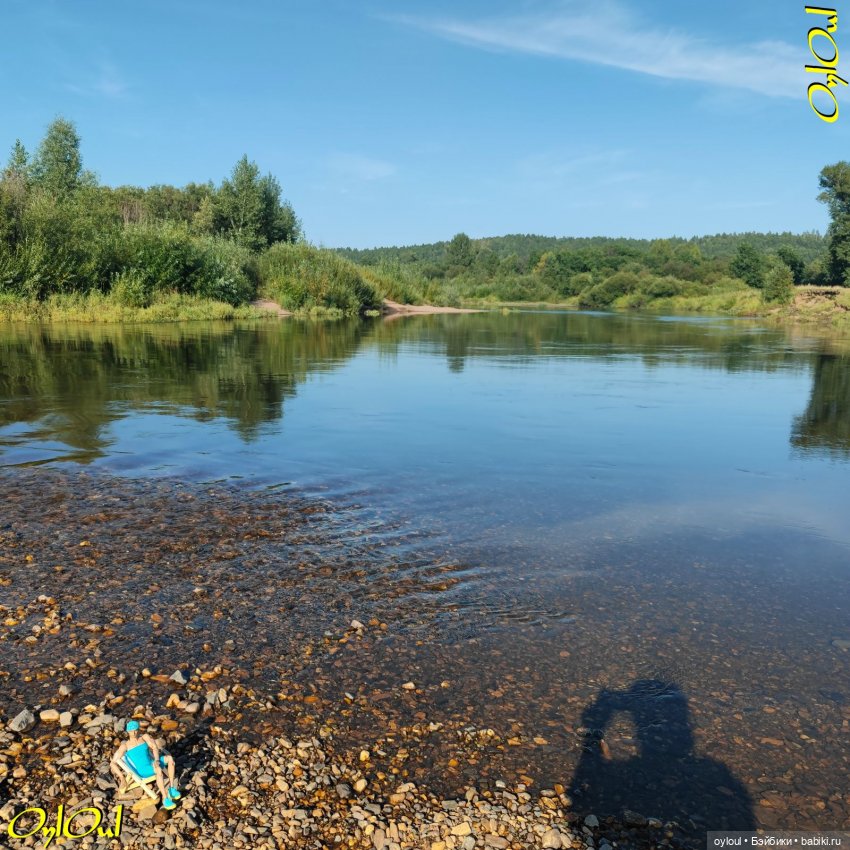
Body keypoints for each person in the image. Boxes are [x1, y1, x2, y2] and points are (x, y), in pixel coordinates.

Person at [110, 719, 181, 809]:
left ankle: (171, 788)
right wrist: (121, 777)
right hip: (143, 770)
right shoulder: (125, 746)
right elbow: (112, 763)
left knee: (170, 759)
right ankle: (165, 798)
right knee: (158, 769)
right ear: (128, 732)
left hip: (153, 762)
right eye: (131, 731)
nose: (134, 733)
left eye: (135, 730)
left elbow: (154, 747)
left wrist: (157, 760)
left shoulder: (144, 737)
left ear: (139, 729)